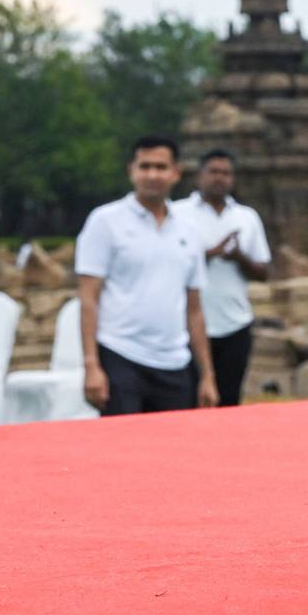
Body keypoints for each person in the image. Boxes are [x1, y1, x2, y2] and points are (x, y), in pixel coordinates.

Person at [77, 136, 220, 416]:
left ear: (175, 173)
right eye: (145, 167)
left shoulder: (188, 231)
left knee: (171, 453)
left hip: (175, 361)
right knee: (123, 452)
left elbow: (194, 310)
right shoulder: (105, 222)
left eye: (160, 167)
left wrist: (207, 376)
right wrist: (91, 366)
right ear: (131, 170)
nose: (152, 175)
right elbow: (88, 299)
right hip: (120, 354)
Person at [174, 149, 270, 407]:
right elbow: (166, 265)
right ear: (199, 176)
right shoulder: (177, 214)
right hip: (185, 324)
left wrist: (239, 257)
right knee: (187, 400)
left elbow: (263, 272)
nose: (220, 178)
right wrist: (207, 254)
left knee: (228, 401)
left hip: (234, 323)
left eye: (226, 173)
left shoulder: (246, 217)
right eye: (213, 172)